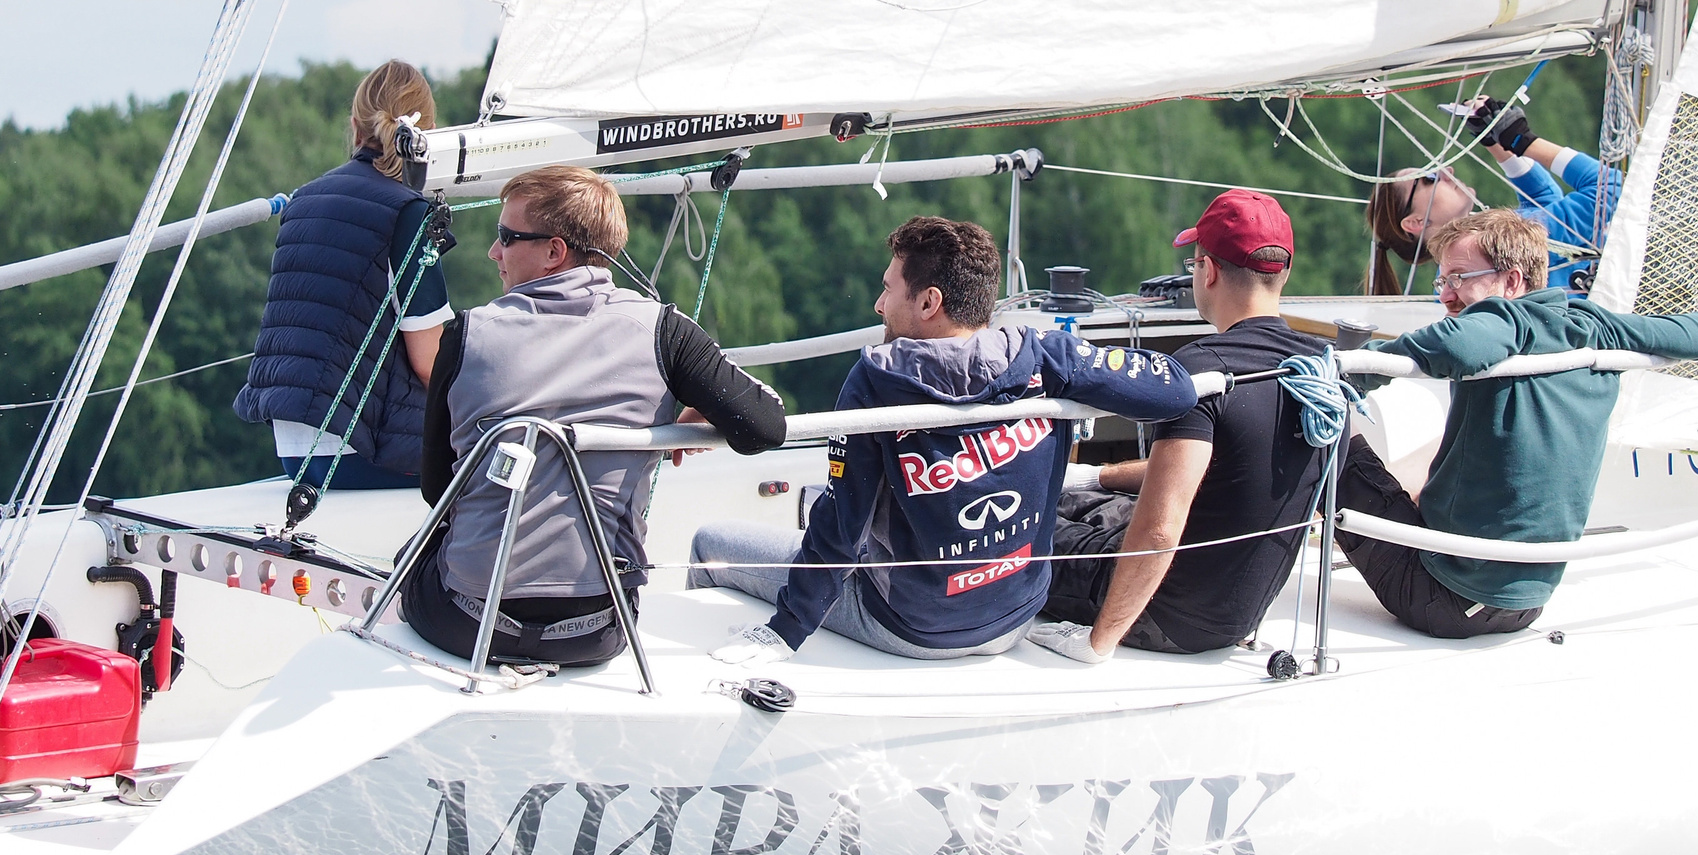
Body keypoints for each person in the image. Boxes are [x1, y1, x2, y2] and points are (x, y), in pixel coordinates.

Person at [699, 216, 1197, 664]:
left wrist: (784, 632)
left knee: (709, 544)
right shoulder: (1046, 356)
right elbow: (1174, 390)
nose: (878, 305)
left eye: (888, 289)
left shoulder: (876, 381)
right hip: (1018, 615)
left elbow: (840, 531)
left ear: (929, 302)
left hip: (912, 629)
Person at [1336, 206, 1698, 639]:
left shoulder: (1504, 321)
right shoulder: (1597, 328)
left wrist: (1348, 370)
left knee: (1322, 428)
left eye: (1459, 278)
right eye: (1442, 280)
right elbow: (1695, 333)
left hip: (1442, 597)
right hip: (1525, 605)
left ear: (1512, 281)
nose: (1446, 294)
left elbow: (1458, 346)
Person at [403, 165, 786, 667]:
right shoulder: (663, 332)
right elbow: (764, 427)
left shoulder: (466, 334)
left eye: (506, 236)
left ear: (554, 252)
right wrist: (697, 411)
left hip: (466, 624)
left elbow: (438, 489)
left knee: (415, 553)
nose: (493, 251)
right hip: (597, 630)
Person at [1028, 190, 1331, 663]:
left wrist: (1097, 642)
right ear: (1284, 272)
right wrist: (1092, 476)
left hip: (1160, 613)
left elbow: (1159, 532)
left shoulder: (1200, 372)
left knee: (1018, 529)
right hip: (1235, 614)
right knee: (1075, 500)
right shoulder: (1321, 370)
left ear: (1207, 271)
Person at [231, 60, 448, 490]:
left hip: (294, 451)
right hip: (365, 452)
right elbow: (431, 363)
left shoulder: (302, 201)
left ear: (354, 127)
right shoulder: (408, 212)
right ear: (429, 134)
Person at [1361, 97, 1623, 293]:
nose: (1446, 171)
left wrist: (1494, 141)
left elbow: (1545, 202)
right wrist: (1524, 141)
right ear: (1415, 222)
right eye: (1429, 178)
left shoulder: (1455, 274)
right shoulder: (1490, 246)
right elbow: (1610, 188)